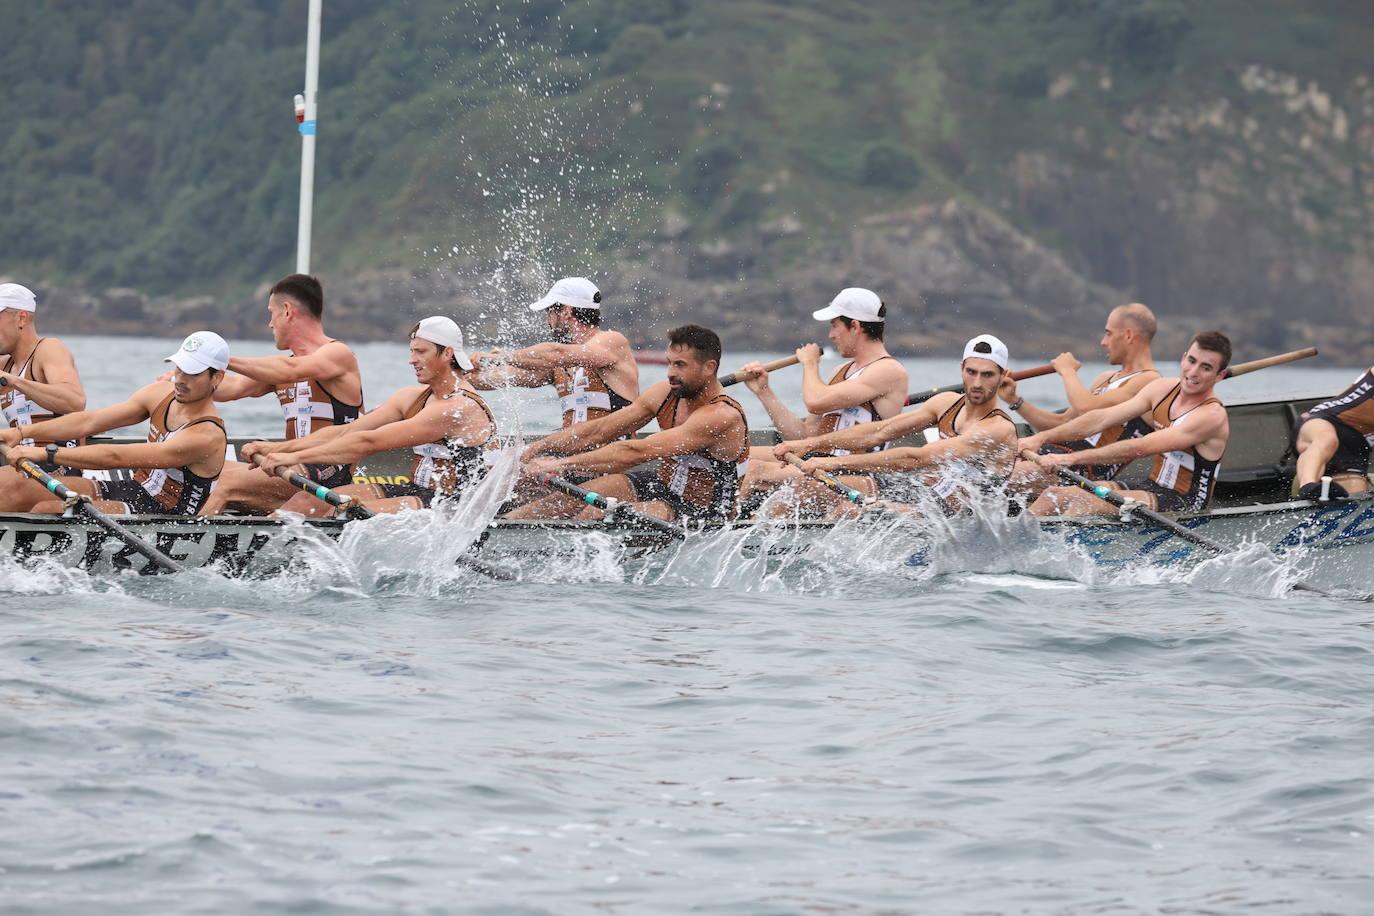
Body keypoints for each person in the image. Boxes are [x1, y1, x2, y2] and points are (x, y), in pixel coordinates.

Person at [250, 317, 497, 516]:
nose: (412, 360)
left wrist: (291, 457)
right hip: (417, 491)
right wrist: (277, 447)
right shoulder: (412, 397)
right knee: (306, 501)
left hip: (454, 508)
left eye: (421, 352)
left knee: (343, 513)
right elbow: (347, 432)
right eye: (412, 351)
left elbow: (368, 443)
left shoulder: (457, 408)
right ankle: (257, 561)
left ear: (447, 354)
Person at [511, 325, 749, 523]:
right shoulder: (665, 394)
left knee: (597, 512)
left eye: (680, 365)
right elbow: (599, 430)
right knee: (580, 495)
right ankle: (506, 526)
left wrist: (561, 464)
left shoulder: (721, 416)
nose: (670, 373)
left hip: (707, 511)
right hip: (663, 484)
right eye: (669, 363)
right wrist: (536, 448)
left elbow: (636, 452)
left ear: (709, 368)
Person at [775, 335, 1018, 516]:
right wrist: (808, 444)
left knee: (848, 509)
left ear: (1003, 375)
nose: (976, 383)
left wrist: (828, 463)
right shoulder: (945, 403)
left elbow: (916, 458)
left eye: (987, 375)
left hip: (968, 516)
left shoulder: (997, 429)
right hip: (927, 493)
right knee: (806, 487)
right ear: (961, 370)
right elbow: (879, 431)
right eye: (971, 372)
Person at [0, 332, 229, 515]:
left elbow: (116, 457)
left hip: (167, 514)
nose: (180, 379)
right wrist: (21, 433)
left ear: (217, 378)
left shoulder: (206, 435)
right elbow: (89, 422)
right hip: (133, 488)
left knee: (47, 509)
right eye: (179, 367)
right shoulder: (160, 393)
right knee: (23, 490)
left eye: (192, 373)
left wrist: (45, 454)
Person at [200, 274, 364, 515]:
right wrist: (182, 379)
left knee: (226, 485)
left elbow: (291, 370)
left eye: (271, 313)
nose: (270, 324)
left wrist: (220, 359)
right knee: (204, 471)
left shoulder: (338, 354)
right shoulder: (281, 369)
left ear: (287, 311)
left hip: (329, 471)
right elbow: (230, 388)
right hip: (289, 465)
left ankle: (185, 543)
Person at [735, 287, 909, 513]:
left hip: (857, 475)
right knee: (739, 457)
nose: (831, 335)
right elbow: (802, 435)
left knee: (761, 471)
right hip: (817, 463)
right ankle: (724, 518)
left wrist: (809, 364)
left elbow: (816, 401)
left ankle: (739, 525)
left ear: (855, 326)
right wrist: (764, 392)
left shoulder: (889, 370)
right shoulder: (841, 370)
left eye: (835, 325)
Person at [1021, 331, 1232, 516]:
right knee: (1054, 495)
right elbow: (1101, 418)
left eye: (1206, 368)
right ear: (1183, 358)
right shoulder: (1161, 389)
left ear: (1219, 376)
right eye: (1192, 361)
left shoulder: (1211, 416)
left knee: (1083, 501)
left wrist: (1070, 459)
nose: (1193, 372)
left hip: (1185, 501)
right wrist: (1040, 437)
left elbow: (1139, 448)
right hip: (1151, 485)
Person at [469, 277, 639, 497]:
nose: (547, 320)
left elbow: (555, 353)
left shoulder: (612, 341)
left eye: (550, 312)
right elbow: (499, 378)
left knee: (520, 510)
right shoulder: (557, 365)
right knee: (492, 488)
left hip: (606, 465)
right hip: (567, 463)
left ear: (566, 312)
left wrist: (499, 357)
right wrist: (459, 370)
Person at [1002, 303, 1160, 495]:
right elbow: (1060, 423)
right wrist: (1014, 400)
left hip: (1083, 471)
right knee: (982, 465)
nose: (1103, 342)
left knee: (999, 477)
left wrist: (1067, 371)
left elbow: (1086, 408)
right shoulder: (1105, 378)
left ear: (1128, 335)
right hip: (1052, 455)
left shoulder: (1150, 381)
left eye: (1109, 333)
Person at [0, 283, 87, 495]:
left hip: (58, 470)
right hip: (23, 466)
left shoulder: (49, 349)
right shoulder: (5, 364)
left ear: (21, 318)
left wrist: (15, 382)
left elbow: (75, 401)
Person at [1291, 366, 1374, 501]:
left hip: (1355, 446)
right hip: (1323, 420)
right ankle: (1308, 486)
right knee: (1327, 438)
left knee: (1355, 499)